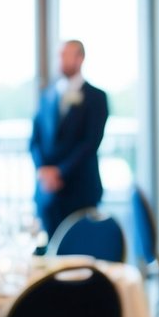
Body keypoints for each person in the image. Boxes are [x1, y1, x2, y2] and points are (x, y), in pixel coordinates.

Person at [30, 40, 109, 237]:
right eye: (59, 55)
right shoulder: (47, 95)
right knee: (49, 250)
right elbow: (35, 140)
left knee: (80, 249)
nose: (60, 60)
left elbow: (90, 143)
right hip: (48, 193)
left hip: (80, 189)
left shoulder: (96, 97)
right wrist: (44, 172)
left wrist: (60, 172)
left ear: (80, 58)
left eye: (66, 55)